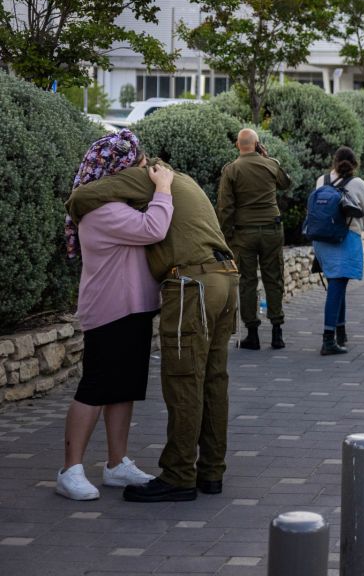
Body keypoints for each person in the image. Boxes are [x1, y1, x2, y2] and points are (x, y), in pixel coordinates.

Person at [66, 156, 240, 503]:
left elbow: (82, 198)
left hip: (193, 284)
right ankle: (211, 472)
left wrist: (78, 204)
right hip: (225, 278)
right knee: (213, 379)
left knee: (184, 380)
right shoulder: (183, 178)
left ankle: (178, 476)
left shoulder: (142, 178)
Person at [56, 131, 173, 500]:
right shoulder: (103, 211)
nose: (143, 172)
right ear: (116, 170)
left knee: (124, 389)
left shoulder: (115, 204)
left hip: (133, 307)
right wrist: (164, 188)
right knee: (95, 388)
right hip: (110, 311)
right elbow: (154, 228)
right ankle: (70, 469)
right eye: (138, 166)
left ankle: (116, 464)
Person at [217, 128, 292, 351]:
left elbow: (225, 207)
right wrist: (268, 157)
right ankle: (277, 332)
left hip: (244, 234)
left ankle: (252, 334)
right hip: (272, 230)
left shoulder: (231, 170)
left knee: (248, 281)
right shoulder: (270, 164)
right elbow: (286, 183)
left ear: (238, 146)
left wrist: (225, 236)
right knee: (274, 277)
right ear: (258, 144)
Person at [311, 146, 364, 355]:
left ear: (334, 162)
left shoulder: (322, 180)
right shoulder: (358, 184)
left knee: (337, 284)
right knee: (337, 287)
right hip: (345, 239)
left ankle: (341, 331)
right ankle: (328, 340)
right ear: (355, 164)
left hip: (321, 240)